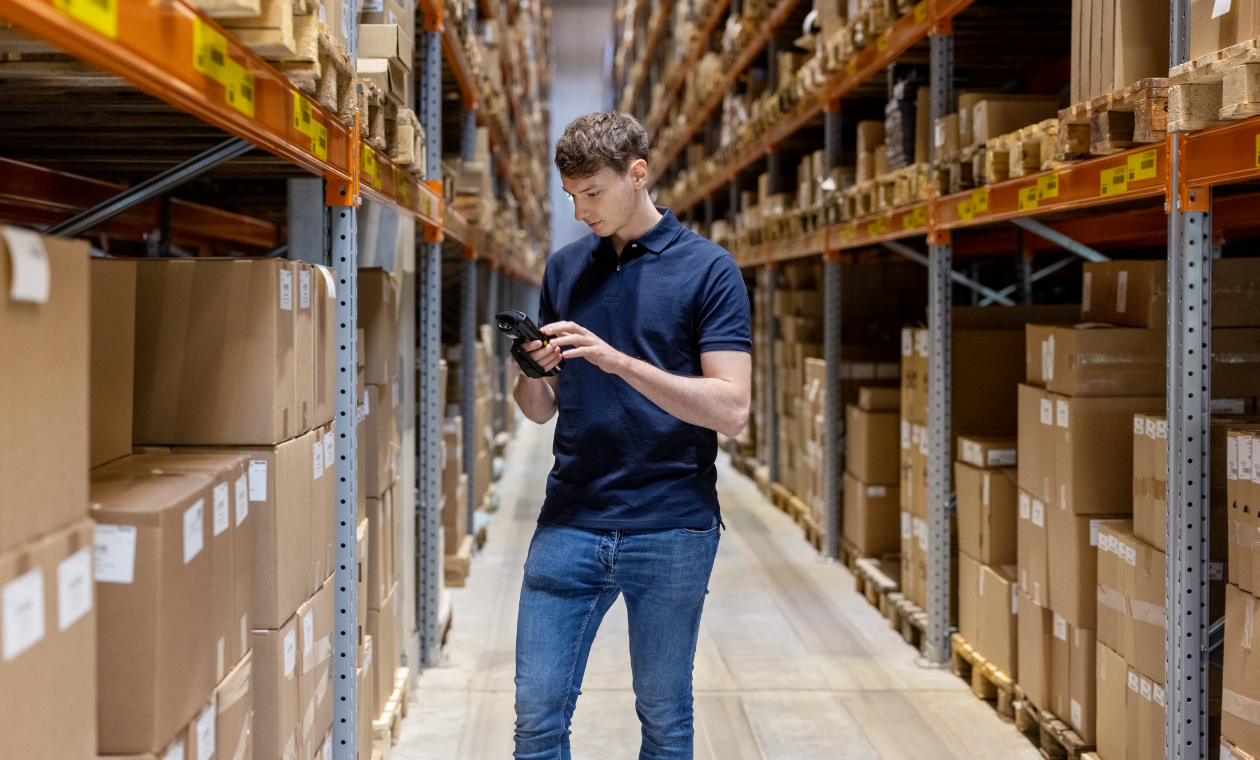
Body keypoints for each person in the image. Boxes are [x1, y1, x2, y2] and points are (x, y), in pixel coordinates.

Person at [509, 111, 752, 760]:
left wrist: (616, 360)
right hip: (572, 516)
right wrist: (531, 374)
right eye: (571, 197)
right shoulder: (565, 270)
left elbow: (732, 408)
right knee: (536, 719)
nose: (581, 211)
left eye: (593, 194)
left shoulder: (710, 271)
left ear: (637, 175)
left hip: (672, 523)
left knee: (665, 718)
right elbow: (540, 409)